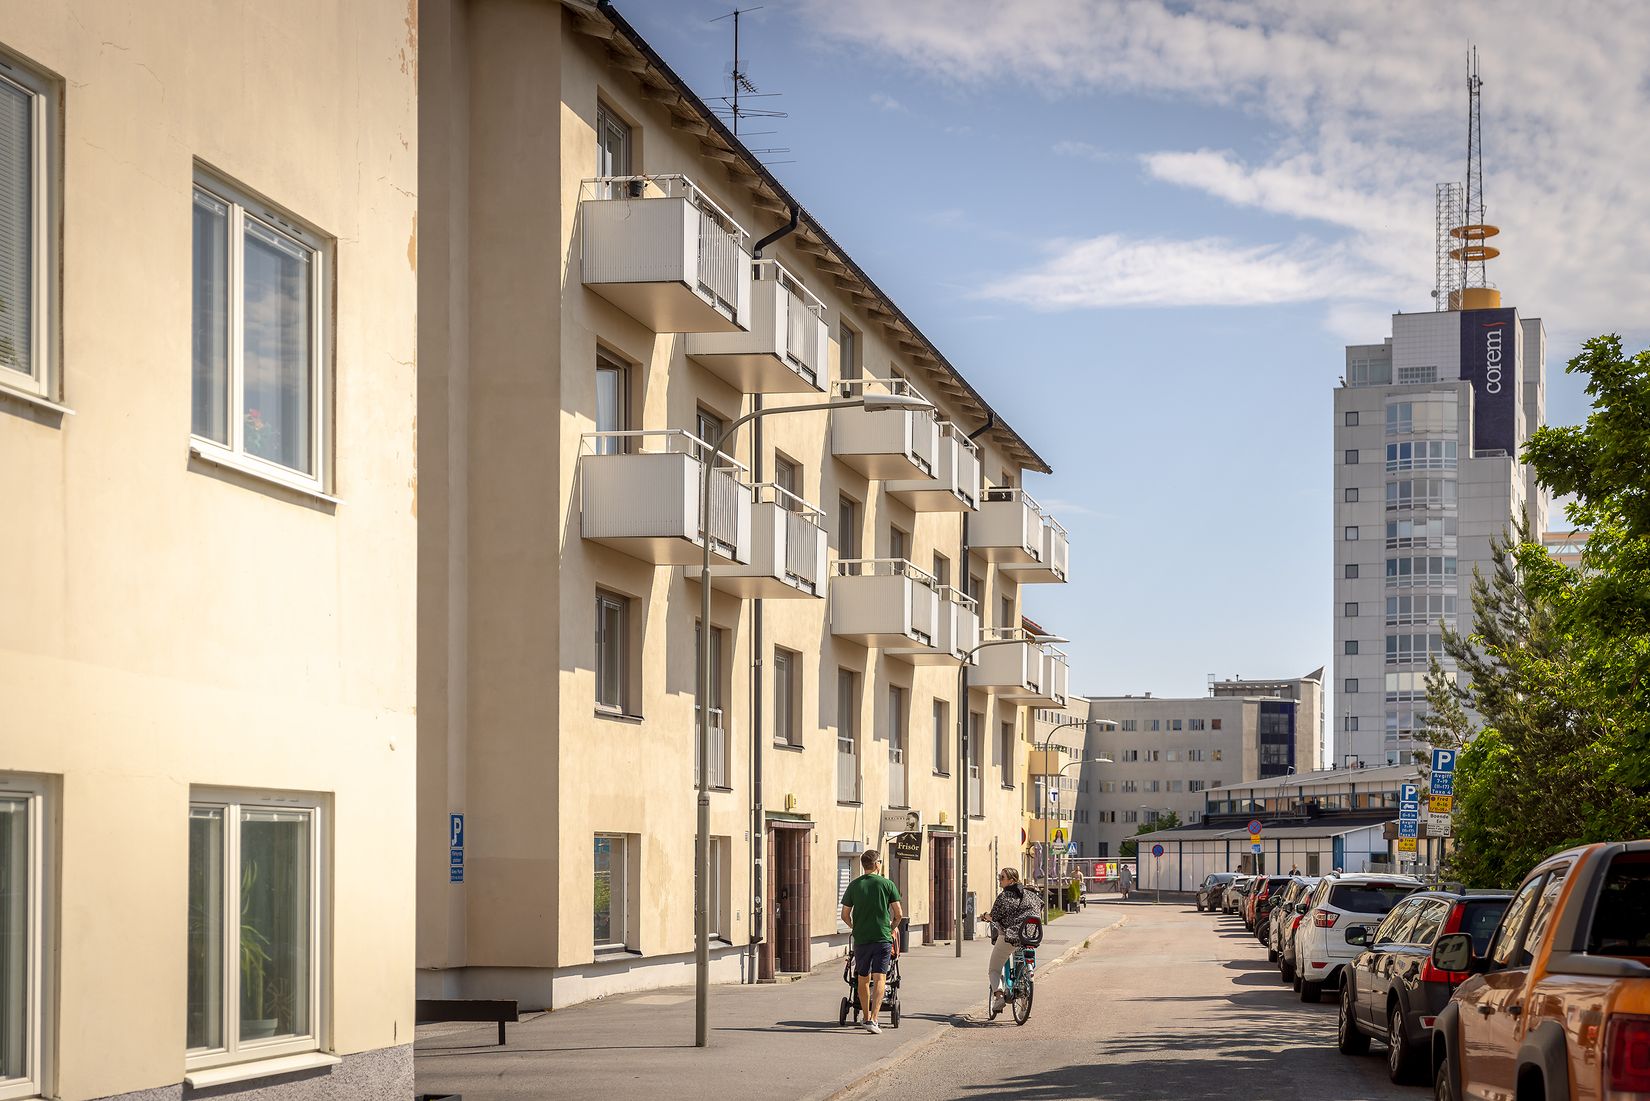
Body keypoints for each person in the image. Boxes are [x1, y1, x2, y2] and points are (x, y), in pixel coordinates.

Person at [840, 847, 902, 1034]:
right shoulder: (887, 884)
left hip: (861, 939)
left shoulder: (854, 885)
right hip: (882, 938)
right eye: (880, 861)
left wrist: (855, 927)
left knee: (862, 977)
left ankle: (865, 1017)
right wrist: (891, 928)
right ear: (876, 864)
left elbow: (844, 915)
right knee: (880, 977)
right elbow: (898, 914)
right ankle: (874, 1019)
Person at [985, 867, 1042, 1017]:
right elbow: (1040, 906)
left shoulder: (1004, 897)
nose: (999, 880)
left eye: (1002, 877)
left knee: (994, 969)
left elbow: (994, 917)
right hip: (1029, 937)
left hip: (1010, 936)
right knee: (1021, 967)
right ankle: (1023, 1005)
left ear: (1011, 880)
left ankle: (999, 997)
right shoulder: (1030, 895)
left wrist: (985, 916)